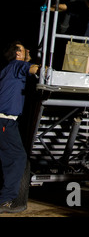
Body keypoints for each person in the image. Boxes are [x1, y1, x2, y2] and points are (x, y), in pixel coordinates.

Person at [0, 42, 39, 213]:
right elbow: (35, 70)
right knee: (17, 158)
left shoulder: (9, 68)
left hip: (6, 122)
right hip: (4, 121)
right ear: (17, 54)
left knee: (10, 158)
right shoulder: (17, 65)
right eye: (24, 50)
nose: (27, 51)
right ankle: (5, 200)